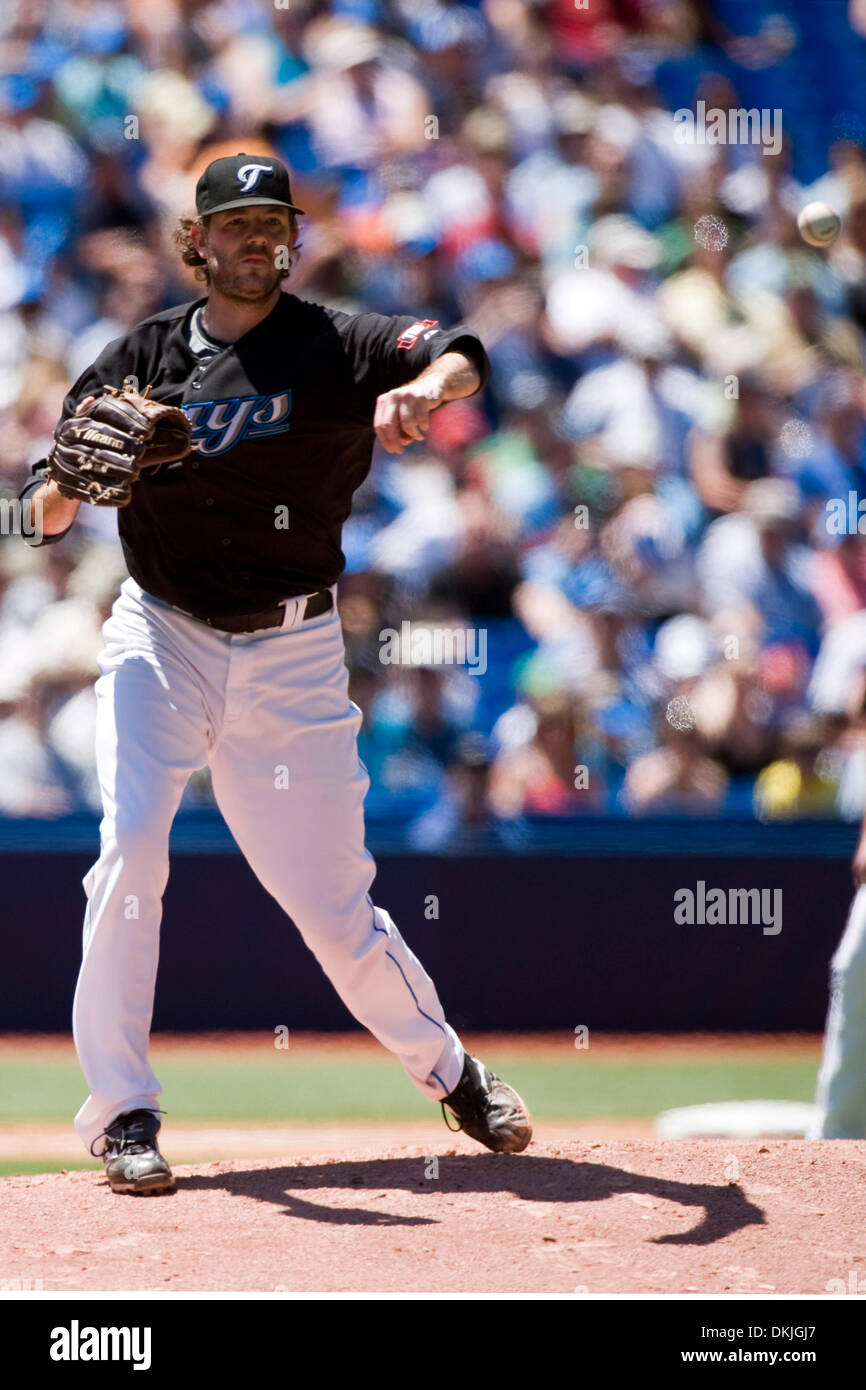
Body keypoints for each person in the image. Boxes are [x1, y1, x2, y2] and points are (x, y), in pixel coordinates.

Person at [19, 152, 531, 1193]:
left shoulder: (339, 343)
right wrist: (66, 484)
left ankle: (449, 1069)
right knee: (130, 853)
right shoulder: (138, 356)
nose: (259, 238)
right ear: (195, 242)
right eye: (237, 223)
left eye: (274, 222)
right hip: (160, 634)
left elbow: (462, 347)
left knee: (333, 908)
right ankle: (123, 1113)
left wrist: (425, 388)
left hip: (294, 652)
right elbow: (34, 510)